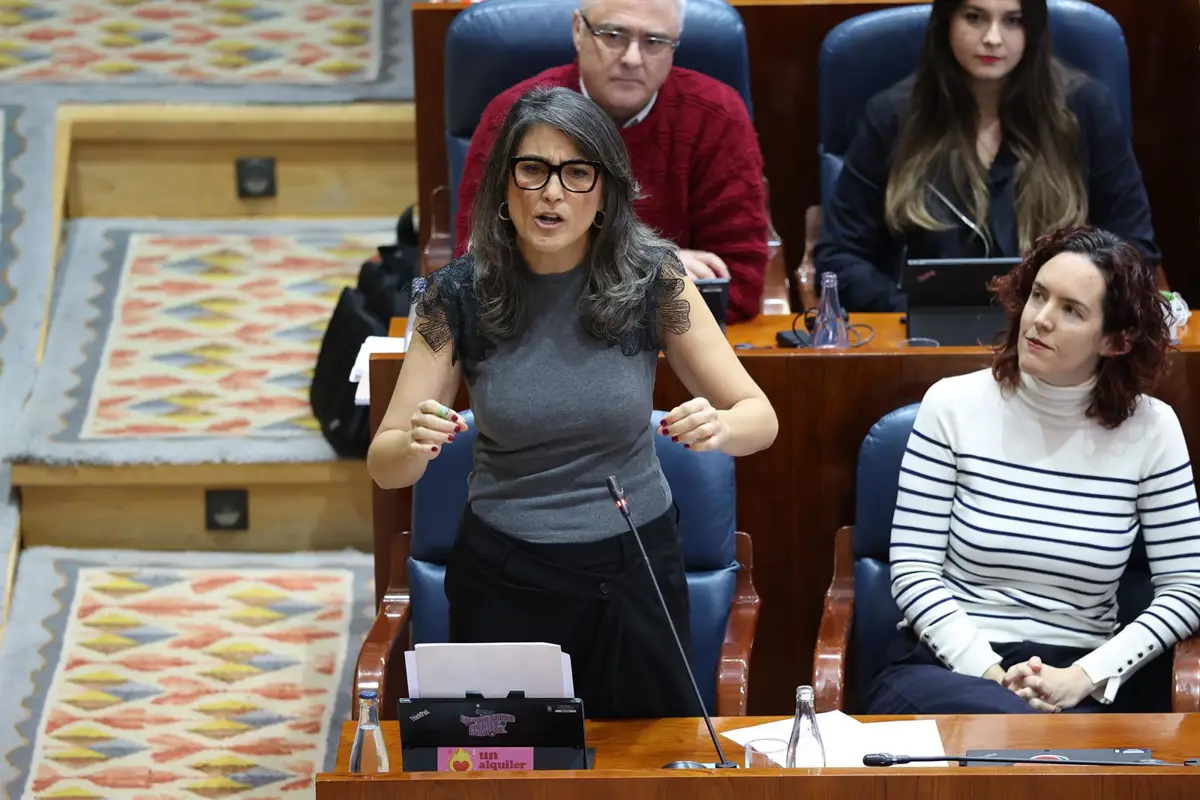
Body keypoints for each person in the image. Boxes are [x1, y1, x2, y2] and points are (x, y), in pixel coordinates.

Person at [368, 86, 778, 719]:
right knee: (508, 772)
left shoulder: (654, 277)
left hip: (633, 568)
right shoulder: (452, 296)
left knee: (641, 773)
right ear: (505, 182)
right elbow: (384, 462)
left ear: (606, 189)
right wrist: (415, 444)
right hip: (505, 575)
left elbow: (761, 418)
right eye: (532, 170)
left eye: (576, 172)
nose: (552, 193)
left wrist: (722, 426)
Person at [868, 226, 1200, 715]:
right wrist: (993, 675)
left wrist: (1085, 676)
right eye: (1039, 296)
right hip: (949, 668)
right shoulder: (951, 405)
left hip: (1078, 677)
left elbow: (1185, 590)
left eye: (1071, 310)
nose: (1040, 319)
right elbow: (914, 571)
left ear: (1115, 340)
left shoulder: (1152, 429)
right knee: (1015, 734)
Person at [814, 0, 1159, 312]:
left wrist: (1075, 311)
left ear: (1033, 29)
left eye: (1013, 21)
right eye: (975, 17)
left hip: (1057, 337)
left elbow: (1134, 247)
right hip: (923, 339)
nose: (993, 38)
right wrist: (909, 310)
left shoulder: (1085, 110)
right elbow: (839, 258)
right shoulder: (892, 118)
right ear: (946, 21)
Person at [452, 0, 770, 323]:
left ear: (675, 45)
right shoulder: (512, 115)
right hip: (532, 336)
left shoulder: (718, 116)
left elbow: (737, 287)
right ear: (578, 30)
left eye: (654, 42)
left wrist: (567, 277)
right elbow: (478, 268)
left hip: (672, 355)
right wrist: (659, 270)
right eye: (614, 35)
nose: (632, 58)